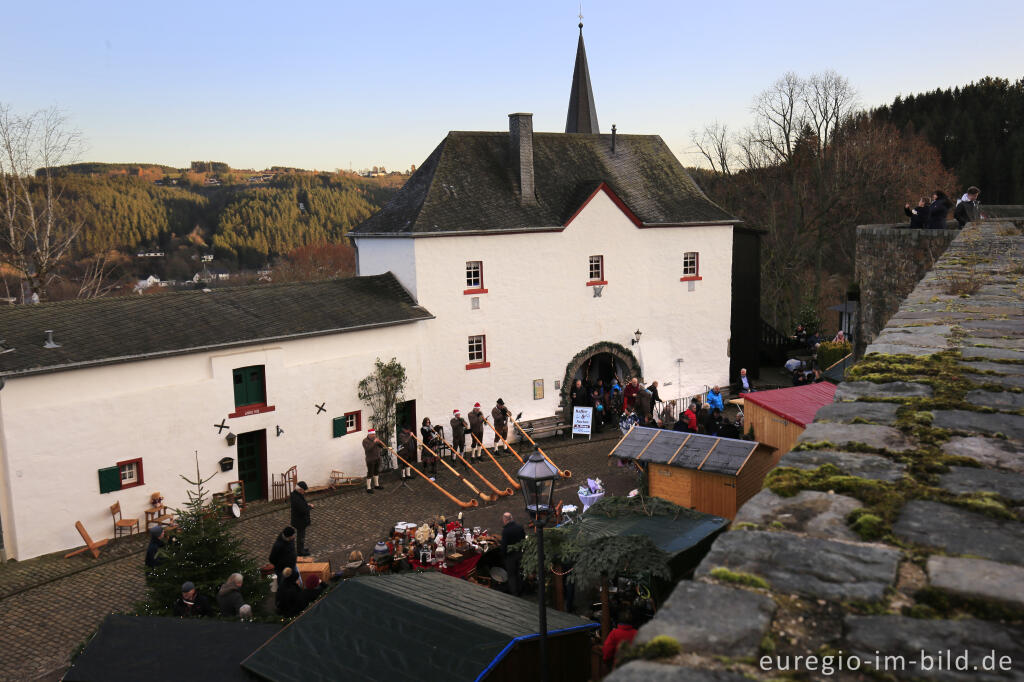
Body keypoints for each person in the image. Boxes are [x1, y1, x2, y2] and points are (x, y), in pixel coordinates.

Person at [501, 512, 526, 596]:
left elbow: (504, 545)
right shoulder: (519, 527)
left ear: (505, 520)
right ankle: (521, 589)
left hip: (510, 556)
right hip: (519, 553)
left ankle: (514, 593)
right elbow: (523, 539)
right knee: (519, 572)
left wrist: (503, 555)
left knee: (511, 575)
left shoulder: (506, 531)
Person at [290, 481, 313, 556]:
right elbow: (303, 510)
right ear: (300, 489)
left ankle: (301, 548)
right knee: (301, 537)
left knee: (301, 536)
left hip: (299, 520)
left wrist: (306, 504)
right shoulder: (297, 498)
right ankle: (300, 551)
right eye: (303, 490)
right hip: (300, 521)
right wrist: (310, 507)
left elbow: (301, 505)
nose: (304, 492)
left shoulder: (296, 494)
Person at [362, 428, 385, 494]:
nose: (374, 435)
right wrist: (374, 442)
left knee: (376, 471)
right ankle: (368, 488)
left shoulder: (375, 439)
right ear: (369, 434)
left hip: (377, 458)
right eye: (373, 434)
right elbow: (368, 449)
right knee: (370, 473)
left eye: (374, 434)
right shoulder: (365, 441)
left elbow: (382, 446)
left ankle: (376, 485)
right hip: (370, 459)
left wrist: (380, 442)